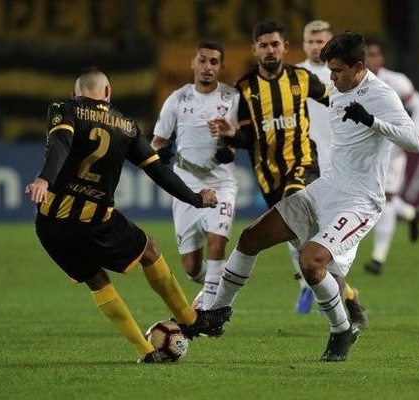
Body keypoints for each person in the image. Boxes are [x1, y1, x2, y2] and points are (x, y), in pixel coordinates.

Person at [208, 31, 419, 362]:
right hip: (326, 187)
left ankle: (341, 331)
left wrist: (373, 122)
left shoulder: (381, 95)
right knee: (251, 237)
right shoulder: (336, 88)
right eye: (329, 71)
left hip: (360, 201)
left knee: (311, 263)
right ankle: (217, 312)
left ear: (359, 66)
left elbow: (415, 141)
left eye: (337, 71)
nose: (332, 78)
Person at [24, 67, 232, 364]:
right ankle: (190, 318)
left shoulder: (65, 109)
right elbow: (158, 171)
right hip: (97, 221)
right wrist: (197, 199)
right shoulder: (126, 126)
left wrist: (45, 178)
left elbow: (61, 143)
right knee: (149, 249)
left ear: (76, 94)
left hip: (52, 227)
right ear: (107, 93)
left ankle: (145, 351)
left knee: (96, 280)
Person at [213, 20, 367, 326]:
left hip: (303, 169)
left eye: (275, 44)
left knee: (299, 246)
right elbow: (248, 140)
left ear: (285, 46)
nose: (270, 50)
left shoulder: (301, 78)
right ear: (253, 49)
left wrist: (367, 118)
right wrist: (230, 137)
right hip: (269, 177)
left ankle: (217, 309)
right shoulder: (243, 90)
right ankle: (348, 298)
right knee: (305, 249)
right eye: (263, 45)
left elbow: (336, 100)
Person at [151, 41, 239, 310]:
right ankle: (215, 282)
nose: (207, 67)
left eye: (214, 62)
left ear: (221, 67)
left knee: (216, 243)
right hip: (186, 184)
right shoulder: (178, 98)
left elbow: (238, 140)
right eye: (202, 60)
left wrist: (228, 148)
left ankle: (211, 309)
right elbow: (157, 142)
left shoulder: (232, 98)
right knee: (191, 268)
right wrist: (160, 157)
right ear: (193, 64)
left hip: (221, 182)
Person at [294, 20, 367, 323]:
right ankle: (307, 284)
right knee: (296, 230)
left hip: (338, 171)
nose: (315, 45)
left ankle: (346, 295)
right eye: (311, 41)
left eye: (321, 40)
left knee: (325, 249)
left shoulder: (344, 76)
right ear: (303, 43)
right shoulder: (292, 76)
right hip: (305, 166)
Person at [362, 38, 419, 275]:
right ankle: (411, 213)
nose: (370, 59)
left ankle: (377, 259)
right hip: (366, 151)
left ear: (382, 58)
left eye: (373, 54)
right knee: (373, 196)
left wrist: (410, 138)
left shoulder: (397, 82)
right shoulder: (353, 81)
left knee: (387, 198)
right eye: (365, 54)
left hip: (393, 150)